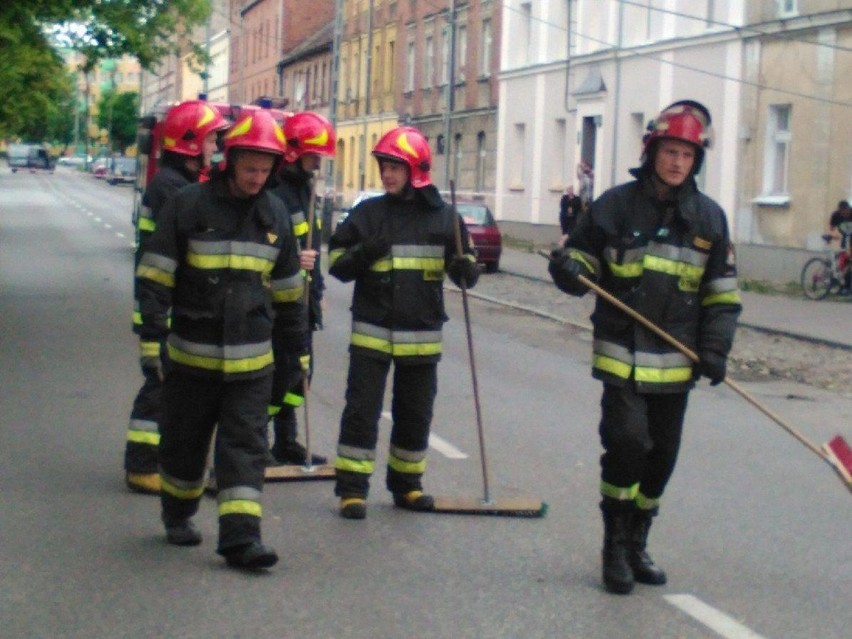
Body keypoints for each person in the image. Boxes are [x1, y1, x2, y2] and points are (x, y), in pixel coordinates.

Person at [548, 100, 741, 594]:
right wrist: (569, 270)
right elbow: (583, 260)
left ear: (696, 161)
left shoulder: (710, 220)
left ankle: (637, 540)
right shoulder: (616, 205)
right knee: (628, 446)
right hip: (623, 353)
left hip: (677, 362)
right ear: (653, 151)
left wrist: (716, 350)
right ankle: (614, 543)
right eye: (670, 151)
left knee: (662, 458)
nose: (677, 162)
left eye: (687, 155)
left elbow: (721, 297)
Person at [134, 110, 308, 569]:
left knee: (245, 449)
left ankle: (241, 538)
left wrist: (299, 354)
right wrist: (152, 340)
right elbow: (154, 277)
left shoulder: (275, 216)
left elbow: (291, 294)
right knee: (183, 448)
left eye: (265, 169)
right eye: (249, 167)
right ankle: (178, 512)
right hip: (191, 360)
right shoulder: (188, 205)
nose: (257, 177)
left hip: (252, 365)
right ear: (230, 161)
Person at [327, 125, 480, 520]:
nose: (387, 174)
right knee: (361, 411)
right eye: (384, 166)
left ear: (416, 170)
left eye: (395, 167)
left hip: (422, 338)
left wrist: (465, 269)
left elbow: (467, 269)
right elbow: (336, 265)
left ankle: (408, 485)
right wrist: (368, 250)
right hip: (372, 334)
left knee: (415, 414)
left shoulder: (445, 218)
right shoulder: (368, 213)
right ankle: (352, 490)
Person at [124, 100, 229, 494]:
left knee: (176, 386)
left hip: (167, 303)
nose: (215, 144)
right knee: (160, 383)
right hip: (161, 306)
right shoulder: (172, 190)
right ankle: (142, 465)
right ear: (190, 142)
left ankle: (172, 462)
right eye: (211, 137)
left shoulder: (179, 184)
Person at [266, 111, 337, 466]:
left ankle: (286, 440)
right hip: (281, 300)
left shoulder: (303, 189)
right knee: (282, 372)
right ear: (294, 151)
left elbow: (315, 251)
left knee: (301, 373)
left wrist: (317, 291)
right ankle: (255, 439)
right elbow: (269, 242)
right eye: (314, 154)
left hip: (305, 297)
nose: (318, 161)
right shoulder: (277, 192)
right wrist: (296, 260)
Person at [828, 199, 852, 294]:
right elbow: (831, 229)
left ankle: (846, 287)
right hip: (842, 241)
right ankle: (841, 286)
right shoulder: (836, 215)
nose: (844, 214)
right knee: (843, 264)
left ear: (849, 209)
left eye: (845, 212)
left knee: (848, 262)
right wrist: (833, 235)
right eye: (841, 212)